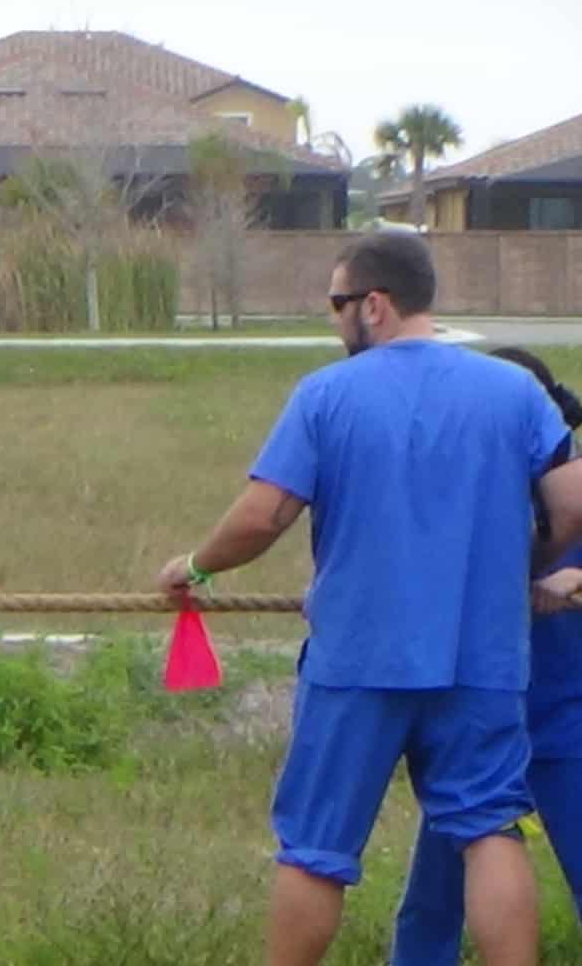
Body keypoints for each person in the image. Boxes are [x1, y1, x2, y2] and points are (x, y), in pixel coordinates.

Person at [154, 231, 582, 966]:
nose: (333, 319)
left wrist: (195, 565)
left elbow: (265, 516)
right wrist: (527, 570)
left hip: (357, 662)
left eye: (336, 303)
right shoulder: (514, 392)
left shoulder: (326, 394)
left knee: (316, 849)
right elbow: (570, 504)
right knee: (489, 830)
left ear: (374, 306)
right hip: (481, 661)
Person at [391, 347, 582, 964]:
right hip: (475, 721)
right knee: (432, 904)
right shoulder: (458, 494)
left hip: (566, 722)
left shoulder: (573, 489)